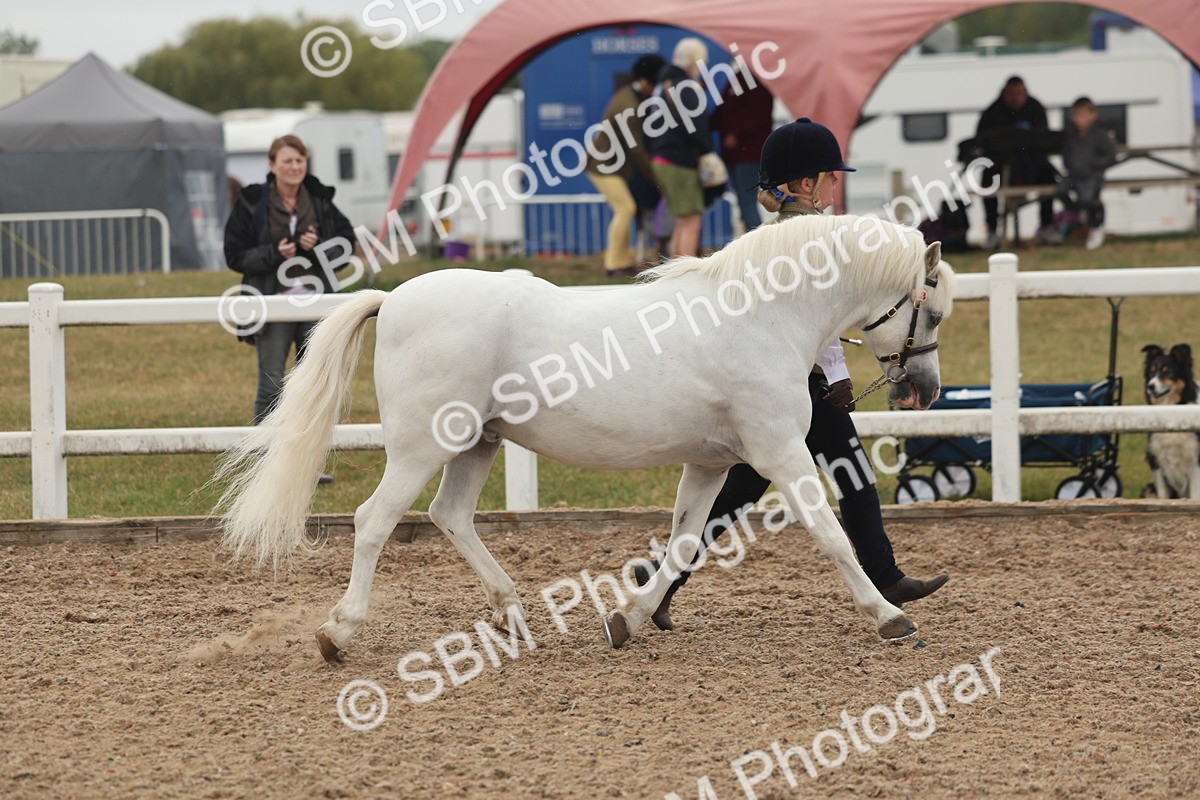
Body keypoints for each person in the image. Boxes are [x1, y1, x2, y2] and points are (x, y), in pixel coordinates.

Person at [635, 118, 950, 631]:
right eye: (830, 176)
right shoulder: (807, 243)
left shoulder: (788, 237)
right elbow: (805, 325)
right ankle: (883, 580)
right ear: (807, 184)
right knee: (844, 477)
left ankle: (661, 580)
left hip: (793, 382)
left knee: (744, 491)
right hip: (798, 386)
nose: (834, 186)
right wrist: (835, 378)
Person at [224, 134, 355, 482]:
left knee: (310, 385)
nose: (294, 167)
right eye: (287, 161)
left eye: (299, 161)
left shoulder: (321, 198)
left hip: (315, 304)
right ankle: (266, 465)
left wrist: (318, 247)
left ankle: (305, 466)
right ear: (272, 165)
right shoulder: (253, 201)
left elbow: (346, 247)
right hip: (271, 305)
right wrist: (273, 254)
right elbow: (234, 254)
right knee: (270, 383)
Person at [586, 54, 666, 277]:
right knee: (626, 208)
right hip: (601, 165)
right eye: (654, 85)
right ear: (644, 81)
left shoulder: (628, 93)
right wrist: (656, 178)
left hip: (608, 164)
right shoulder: (629, 106)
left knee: (623, 209)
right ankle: (613, 264)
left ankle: (620, 259)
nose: (655, 90)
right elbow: (637, 150)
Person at [646, 38, 715, 257]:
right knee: (692, 219)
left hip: (661, 158)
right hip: (680, 161)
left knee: (682, 219)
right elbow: (697, 128)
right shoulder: (686, 88)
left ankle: (676, 269)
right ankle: (686, 274)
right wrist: (707, 153)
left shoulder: (661, 86)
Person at [975, 76, 1061, 248]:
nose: (1015, 98)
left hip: (1032, 165)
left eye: (1019, 94)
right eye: (1011, 94)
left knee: (1050, 177)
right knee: (986, 181)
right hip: (999, 166)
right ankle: (992, 231)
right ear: (1003, 94)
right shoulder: (993, 112)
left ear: (1026, 93)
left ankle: (1047, 227)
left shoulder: (1035, 108)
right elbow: (981, 141)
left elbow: (1044, 140)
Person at [711, 66, 773, 232]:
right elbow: (721, 113)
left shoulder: (759, 83)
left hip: (749, 155)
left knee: (747, 201)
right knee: (742, 202)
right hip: (733, 156)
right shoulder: (736, 79)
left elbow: (761, 115)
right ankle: (751, 241)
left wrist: (736, 135)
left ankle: (759, 244)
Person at [1058, 96, 1117, 250]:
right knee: (1060, 191)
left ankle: (1095, 226)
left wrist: (1094, 166)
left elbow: (1111, 155)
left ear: (1093, 115)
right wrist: (1069, 165)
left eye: (1083, 115)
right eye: (1076, 115)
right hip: (1073, 175)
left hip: (1092, 176)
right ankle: (1077, 214)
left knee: (1088, 199)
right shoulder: (1071, 135)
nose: (1079, 119)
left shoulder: (1100, 134)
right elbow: (1066, 154)